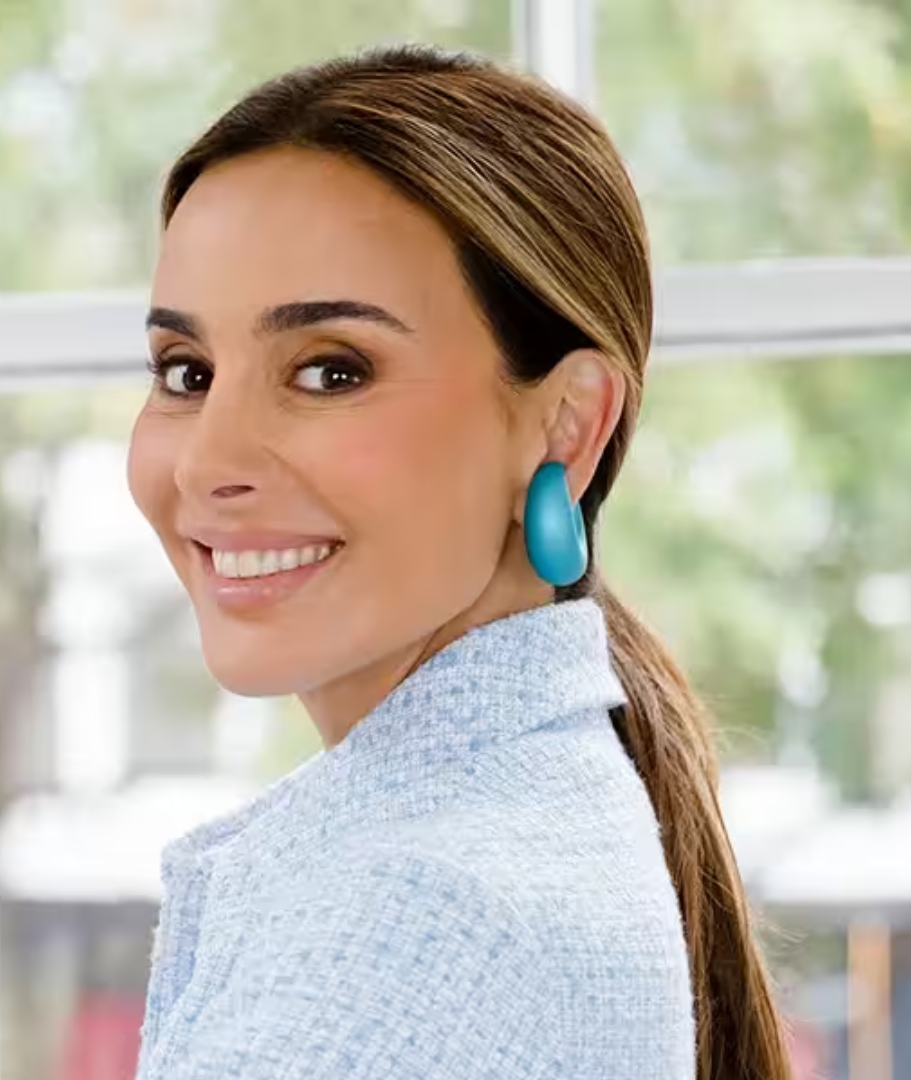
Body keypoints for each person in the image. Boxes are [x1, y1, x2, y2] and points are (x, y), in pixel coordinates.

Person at [126, 43, 793, 1080]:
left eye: (330, 370)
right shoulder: (517, 823)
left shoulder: (416, 920)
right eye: (187, 370)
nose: (208, 461)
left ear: (567, 426)